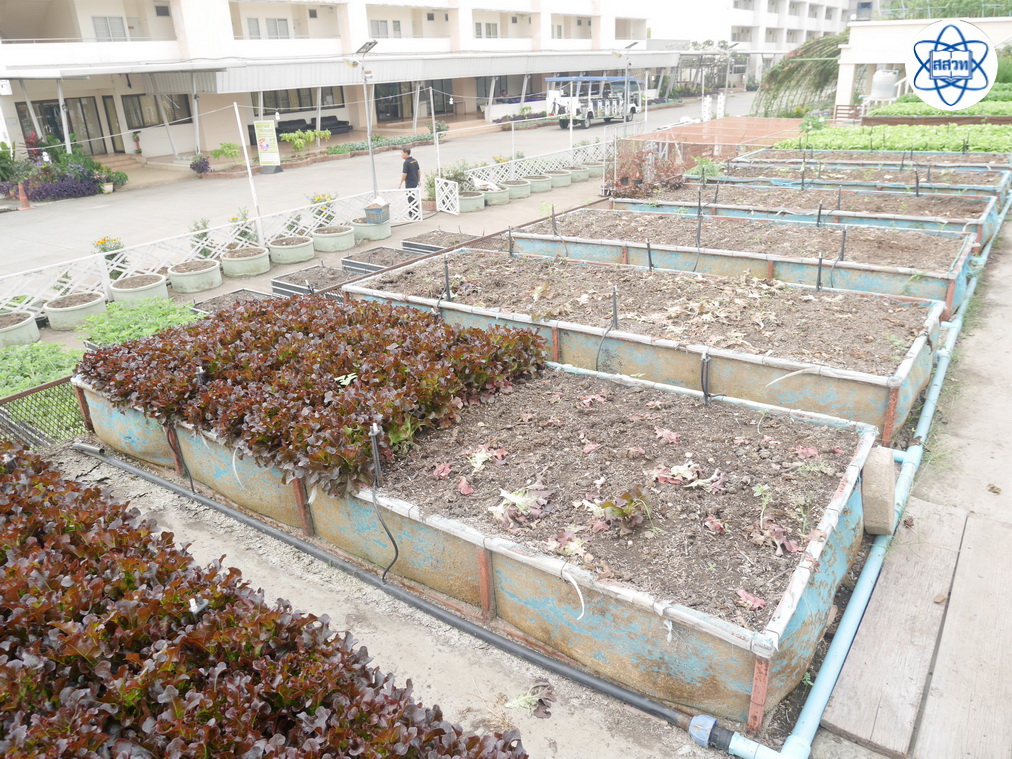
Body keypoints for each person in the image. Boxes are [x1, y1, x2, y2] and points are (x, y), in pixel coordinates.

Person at [399, 147, 421, 217]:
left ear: (406, 153)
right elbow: (418, 171)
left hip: (410, 183)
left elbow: (404, 174)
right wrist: (419, 180)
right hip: (415, 182)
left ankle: (415, 214)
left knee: (411, 198)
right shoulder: (414, 161)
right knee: (414, 198)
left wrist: (400, 183)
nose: (401, 154)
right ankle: (412, 212)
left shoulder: (406, 163)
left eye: (402, 153)